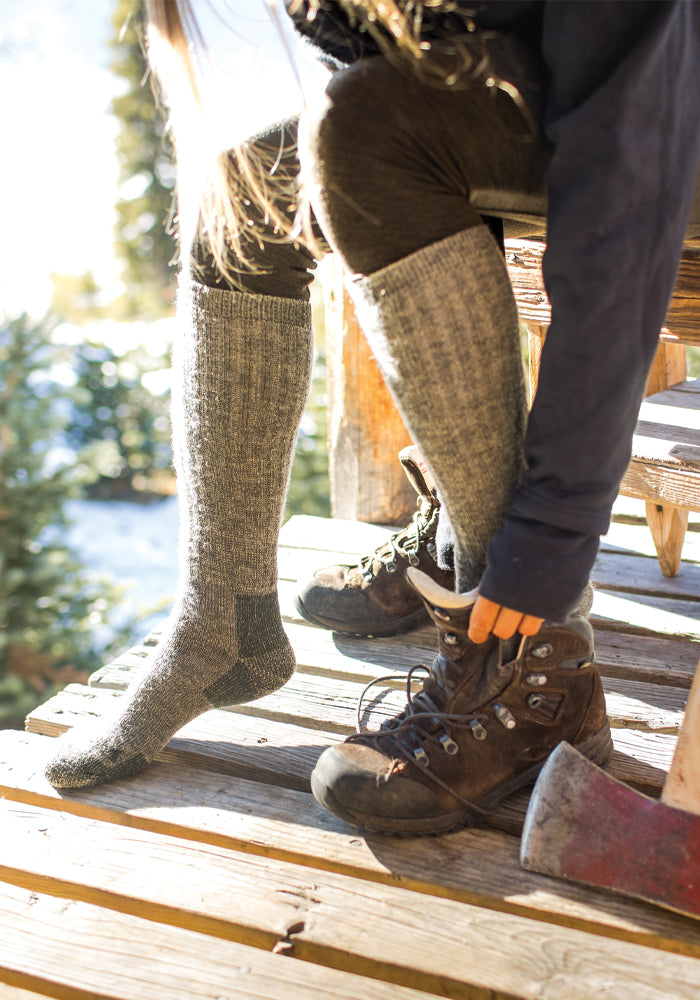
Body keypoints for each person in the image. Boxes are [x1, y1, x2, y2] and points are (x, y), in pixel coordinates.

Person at [44, 1, 700, 837]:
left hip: (664, 111)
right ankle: (222, 623)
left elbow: (625, 185)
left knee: (367, 129)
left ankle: (535, 674)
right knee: (246, 184)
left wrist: (548, 539)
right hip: (562, 85)